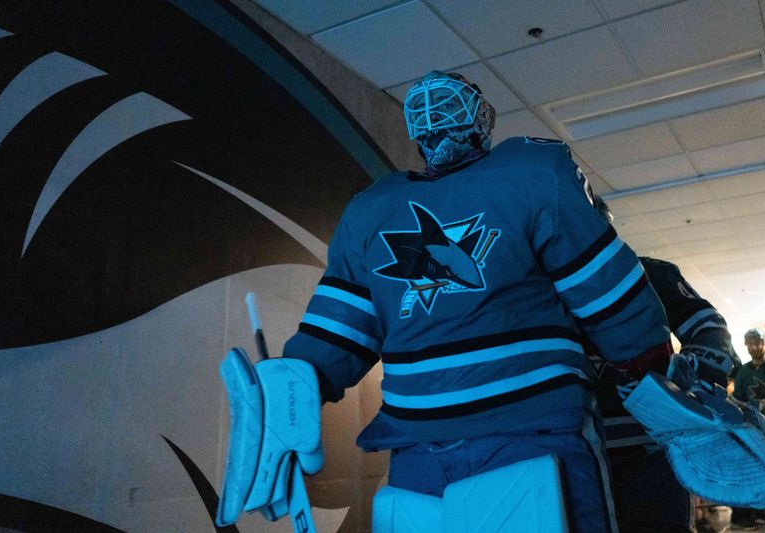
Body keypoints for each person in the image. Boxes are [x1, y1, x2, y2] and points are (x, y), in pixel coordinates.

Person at [281, 70, 672, 532]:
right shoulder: (533, 169)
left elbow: (334, 336)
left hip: (418, 450)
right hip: (531, 432)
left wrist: (290, 383)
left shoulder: (371, 208)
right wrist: (657, 376)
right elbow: (614, 300)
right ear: (481, 117)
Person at [592, 197, 741, 533]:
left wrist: (687, 381)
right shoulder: (534, 289)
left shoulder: (648, 274)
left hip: (651, 448)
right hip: (574, 451)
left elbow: (709, 328)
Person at [729, 328, 765, 529]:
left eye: (758, 342)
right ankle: (756, 511)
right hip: (756, 431)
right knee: (755, 470)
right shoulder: (744, 372)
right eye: (751, 343)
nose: (755, 347)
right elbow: (737, 402)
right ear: (746, 345)